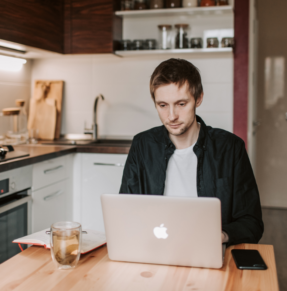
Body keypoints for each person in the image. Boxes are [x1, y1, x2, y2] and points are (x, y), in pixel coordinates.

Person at [119, 58, 264, 246]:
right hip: (154, 249)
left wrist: (220, 236)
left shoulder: (230, 148)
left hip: (209, 251)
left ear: (199, 98)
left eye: (181, 104)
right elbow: (125, 212)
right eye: (162, 105)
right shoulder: (142, 145)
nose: (172, 116)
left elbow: (252, 223)